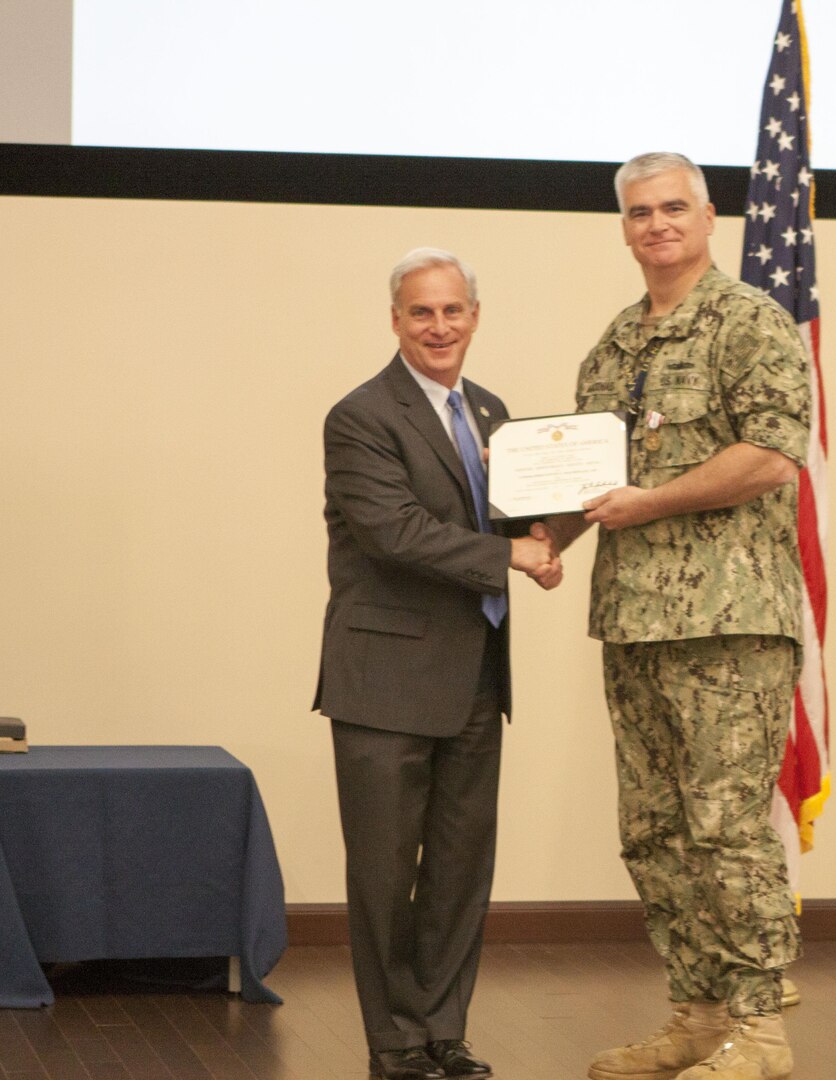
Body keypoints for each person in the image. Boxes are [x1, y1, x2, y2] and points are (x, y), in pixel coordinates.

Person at [551, 152, 810, 1080]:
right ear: (624, 229)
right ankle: (698, 1019)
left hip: (729, 623)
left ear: (708, 218)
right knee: (654, 832)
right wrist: (542, 544)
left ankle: (762, 1032)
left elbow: (774, 456)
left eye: (673, 208)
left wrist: (650, 504)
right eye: (639, 212)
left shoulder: (751, 324)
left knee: (728, 828)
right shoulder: (615, 345)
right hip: (633, 622)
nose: (656, 224)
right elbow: (586, 482)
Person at [314, 248, 562, 1080]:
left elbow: (517, 521)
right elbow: (397, 533)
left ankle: (443, 1033)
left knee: (460, 869)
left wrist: (556, 535)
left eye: (453, 310)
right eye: (421, 312)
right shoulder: (359, 416)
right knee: (385, 876)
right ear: (395, 321)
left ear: (475, 316)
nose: (439, 326)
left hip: (476, 679)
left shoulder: (490, 412)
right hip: (385, 683)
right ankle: (394, 1044)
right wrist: (514, 559)